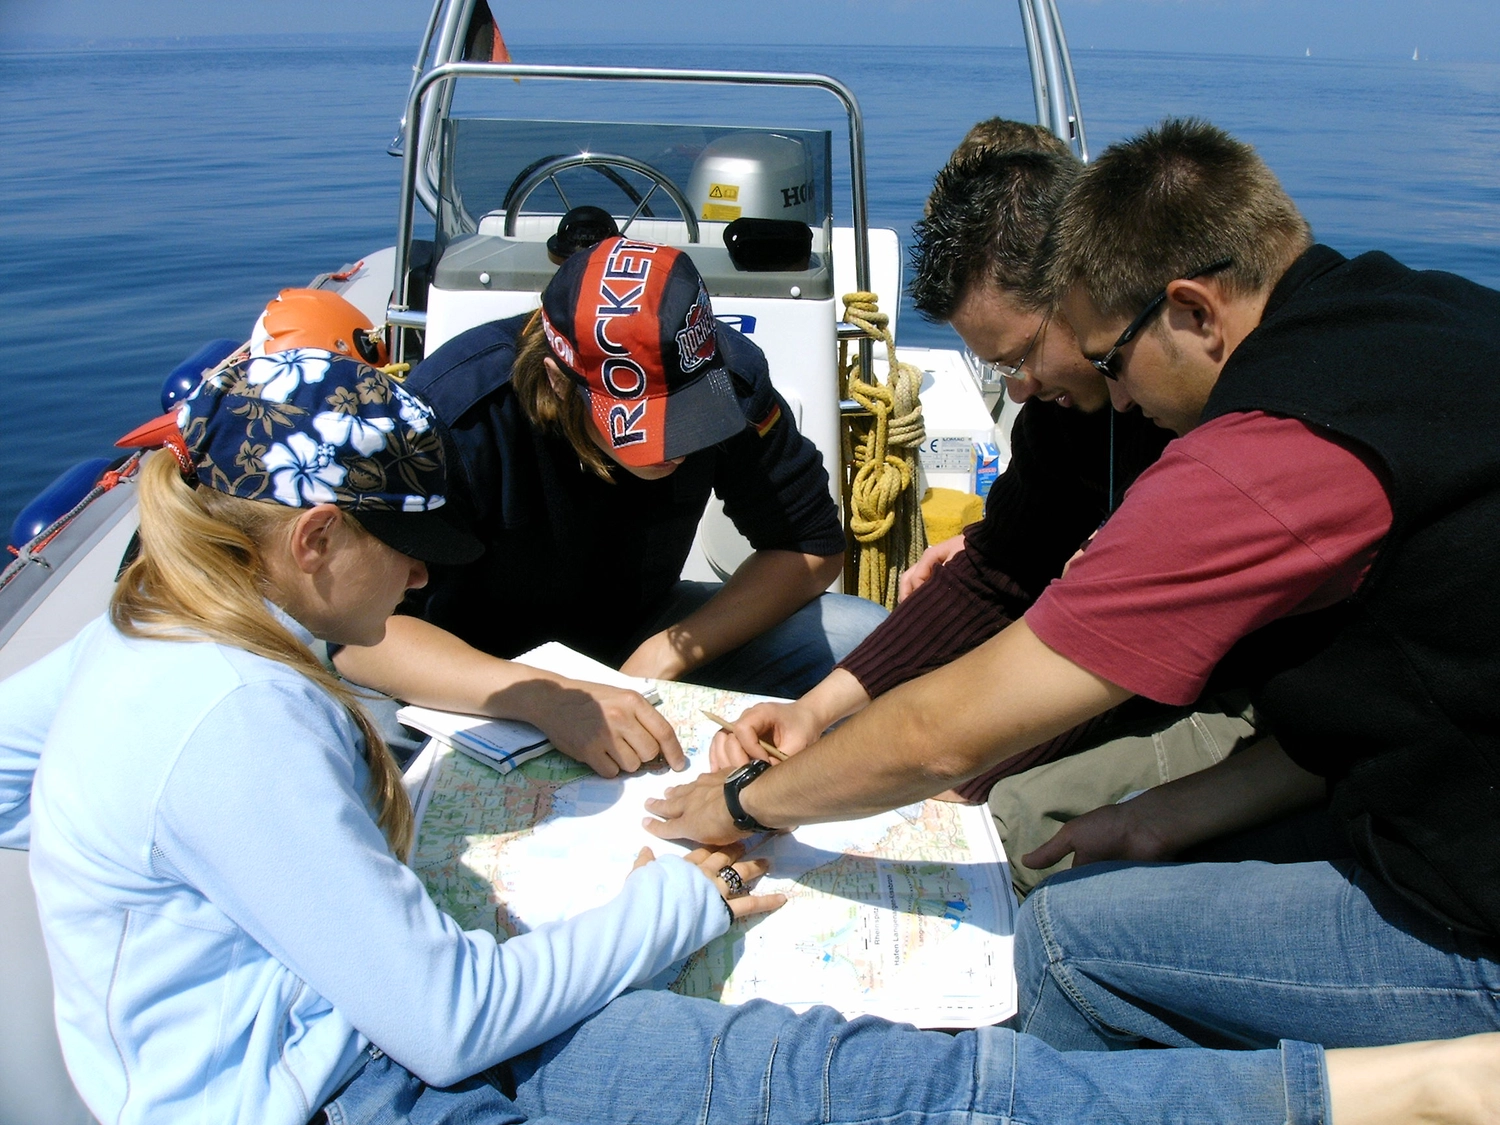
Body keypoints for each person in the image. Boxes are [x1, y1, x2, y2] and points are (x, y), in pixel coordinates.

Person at [2, 350, 1496, 1125]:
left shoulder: (143, 631)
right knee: (878, 1090)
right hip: (361, 1091)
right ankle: (1400, 1096)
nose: (423, 583)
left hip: (304, 1052)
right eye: (405, 551)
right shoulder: (235, 716)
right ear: (315, 539)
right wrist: (676, 901)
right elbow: (448, 1024)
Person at [645, 117, 1500, 1056]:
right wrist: (1156, 817)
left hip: (1463, 911)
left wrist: (747, 803)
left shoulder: (1266, 456)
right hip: (1403, 781)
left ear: (1193, 312)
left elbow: (940, 736)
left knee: (1066, 941)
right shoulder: (1421, 313)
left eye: (1109, 362)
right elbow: (1357, 705)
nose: (1117, 397)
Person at [711, 121, 1247, 873]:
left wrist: (969, 777)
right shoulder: (1062, 416)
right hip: (1113, 654)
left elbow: (1126, 651)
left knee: (1006, 817)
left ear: (1083, 291)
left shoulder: (1207, 426)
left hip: (1231, 689)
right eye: (997, 369)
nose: (1018, 391)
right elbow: (997, 573)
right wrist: (817, 708)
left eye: (1021, 356)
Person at [335, 235, 886, 779]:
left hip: (636, 628)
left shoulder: (730, 377)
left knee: (862, 637)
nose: (677, 446)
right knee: (366, 737)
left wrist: (665, 654)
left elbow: (808, 546)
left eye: (694, 414)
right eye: (645, 426)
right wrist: (549, 699)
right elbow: (362, 636)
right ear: (558, 380)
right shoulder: (454, 416)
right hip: (473, 662)